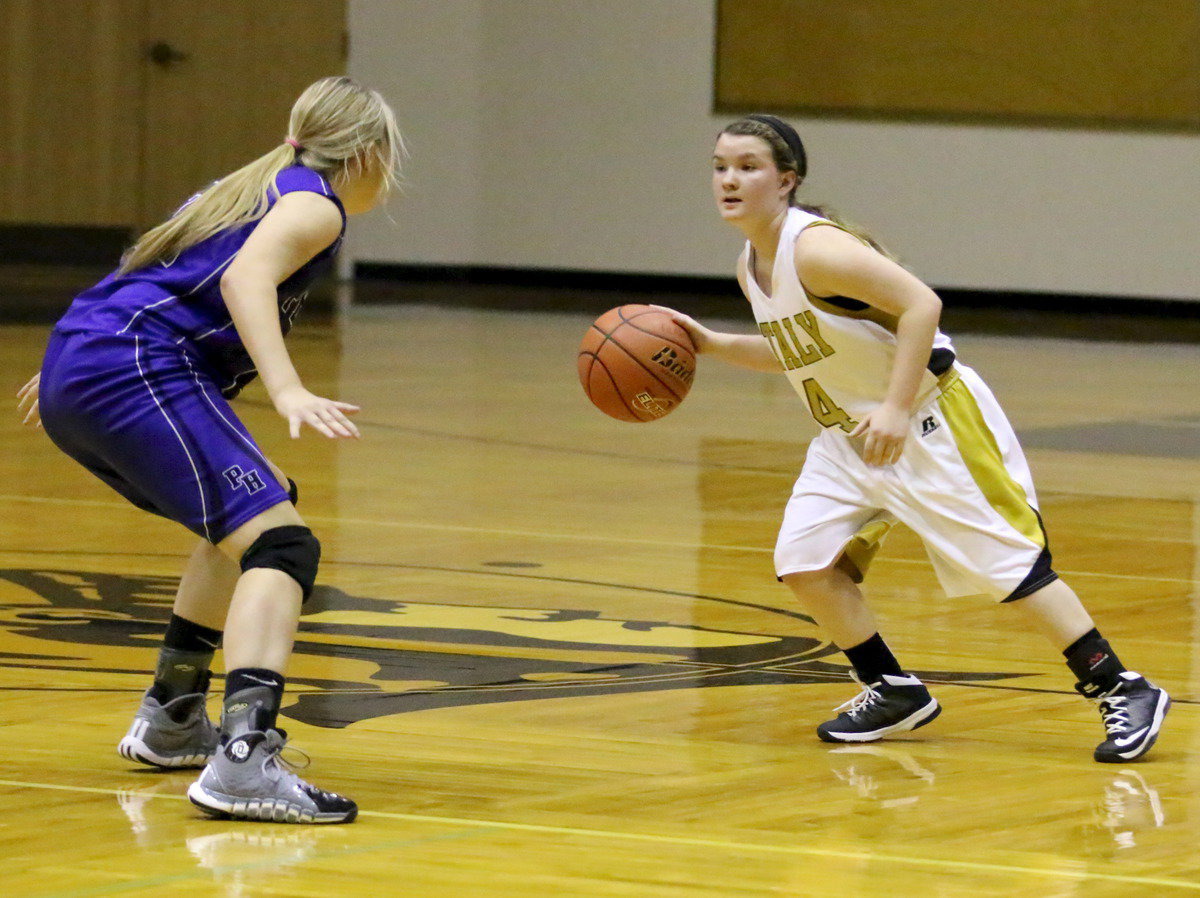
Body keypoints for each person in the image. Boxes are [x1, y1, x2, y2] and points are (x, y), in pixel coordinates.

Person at [665, 114, 1169, 762]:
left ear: (786, 180)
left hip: (927, 419)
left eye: (747, 167)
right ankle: (891, 688)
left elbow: (921, 305)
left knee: (1009, 568)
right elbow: (801, 352)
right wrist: (712, 344)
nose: (729, 180)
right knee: (805, 562)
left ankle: (1121, 686)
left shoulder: (815, 249)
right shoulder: (750, 263)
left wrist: (897, 409)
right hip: (850, 436)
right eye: (719, 167)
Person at [16, 75, 405, 822]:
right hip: (131, 369)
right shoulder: (311, 206)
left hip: (92, 360)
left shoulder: (247, 186)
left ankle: (173, 715)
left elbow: (149, 267)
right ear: (368, 153)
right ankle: (243, 761)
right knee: (283, 546)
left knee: (255, 516)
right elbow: (244, 279)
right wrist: (289, 390)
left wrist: (74, 364)